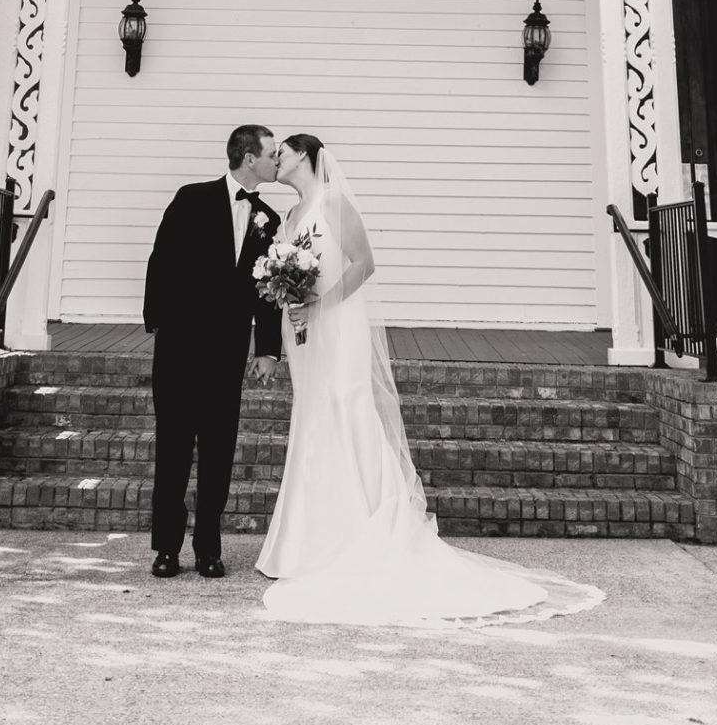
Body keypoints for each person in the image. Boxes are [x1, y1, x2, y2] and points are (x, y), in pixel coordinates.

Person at [255, 132, 602, 627]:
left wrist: (321, 303)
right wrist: (287, 295)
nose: (276, 159)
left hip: (337, 325)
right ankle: (303, 542)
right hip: (304, 332)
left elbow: (364, 264)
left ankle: (359, 528)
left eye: (282, 152)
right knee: (313, 416)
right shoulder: (289, 218)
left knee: (346, 408)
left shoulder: (333, 203)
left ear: (306, 156)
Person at [142, 123, 283, 579]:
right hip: (181, 350)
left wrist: (267, 349)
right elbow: (161, 261)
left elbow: (266, 290)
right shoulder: (191, 199)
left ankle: (208, 548)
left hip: (227, 352)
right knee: (174, 452)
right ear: (248, 157)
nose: (276, 161)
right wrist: (163, 325)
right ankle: (166, 548)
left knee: (219, 453)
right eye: (271, 154)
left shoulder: (269, 220)